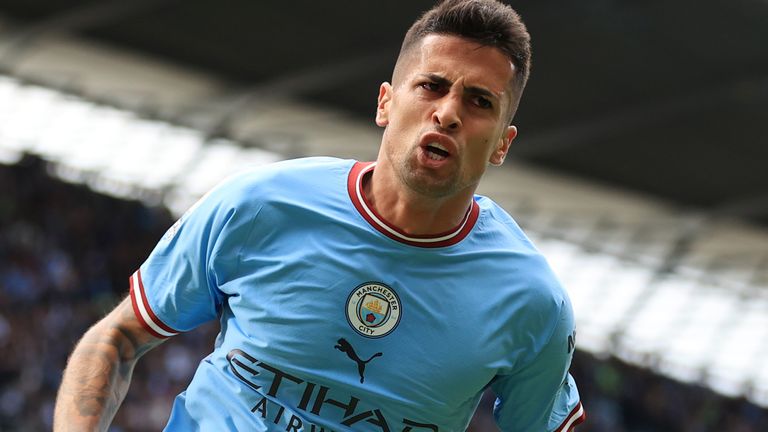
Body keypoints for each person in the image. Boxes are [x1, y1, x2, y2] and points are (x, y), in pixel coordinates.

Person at [54, 0, 586, 430]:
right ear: (385, 103)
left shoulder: (531, 301)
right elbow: (118, 337)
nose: (447, 112)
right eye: (431, 86)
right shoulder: (262, 205)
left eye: (479, 102)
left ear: (502, 145)